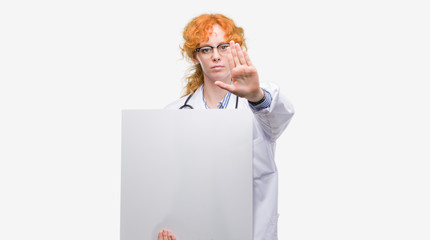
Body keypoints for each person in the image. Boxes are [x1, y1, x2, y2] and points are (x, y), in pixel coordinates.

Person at [161, 13, 294, 240]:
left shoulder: (256, 104)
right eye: (206, 49)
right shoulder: (174, 115)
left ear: (236, 49)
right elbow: (167, 184)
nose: (215, 56)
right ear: (195, 57)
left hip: (251, 232)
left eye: (223, 47)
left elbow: (279, 117)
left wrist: (256, 96)